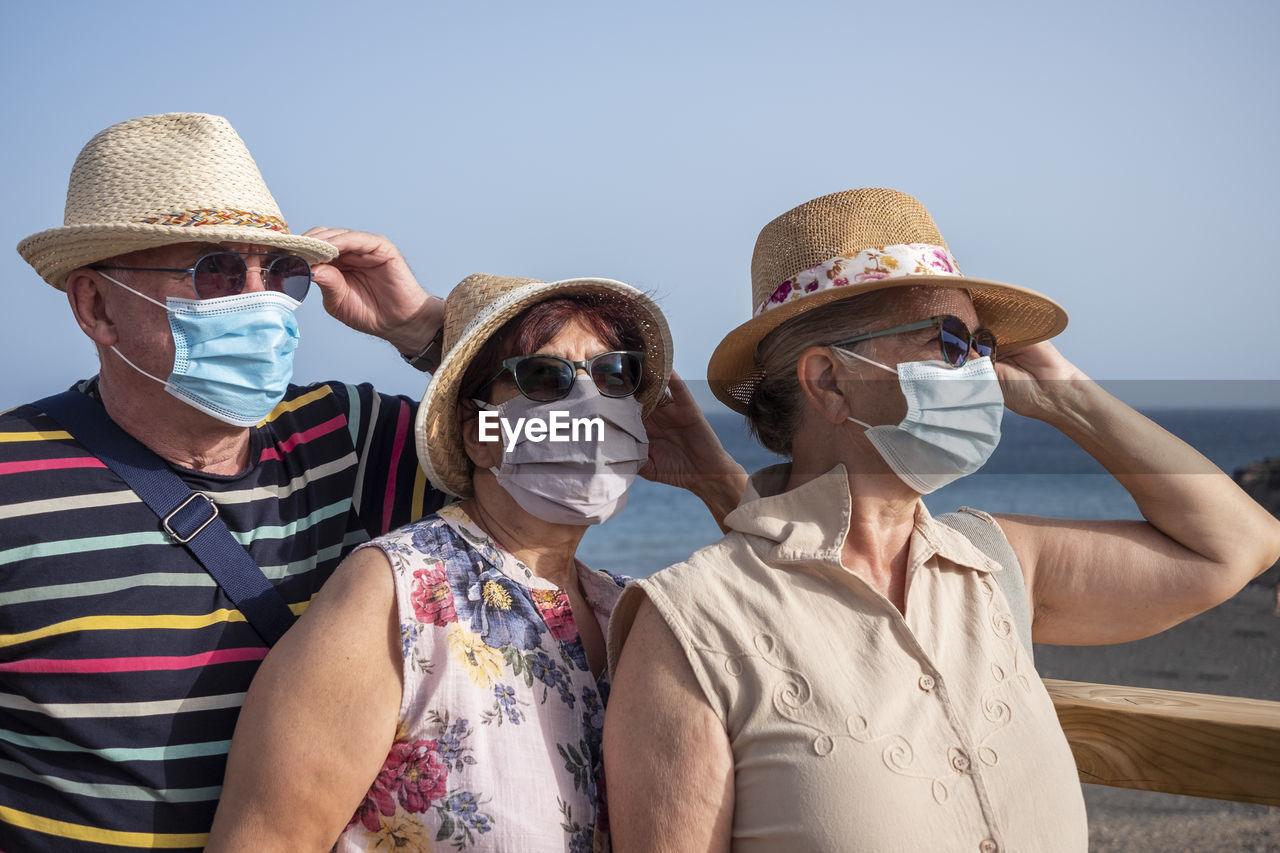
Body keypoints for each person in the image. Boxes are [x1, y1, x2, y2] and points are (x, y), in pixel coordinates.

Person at [0, 113, 740, 852]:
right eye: (218, 271)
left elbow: (503, 435)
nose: (260, 300)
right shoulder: (13, 479)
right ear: (96, 306)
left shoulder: (346, 436)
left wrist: (420, 325)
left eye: (281, 274)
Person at [602, 188, 1280, 852]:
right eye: (952, 343)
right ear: (830, 382)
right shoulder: (688, 626)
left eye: (986, 345)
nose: (984, 369)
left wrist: (1068, 398)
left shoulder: (992, 562)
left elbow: (1236, 546)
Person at [204, 272, 745, 851]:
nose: (592, 403)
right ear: (480, 436)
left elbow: (817, 624)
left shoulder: (629, 612)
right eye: (544, 377)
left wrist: (717, 481)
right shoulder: (394, 594)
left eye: (616, 375)